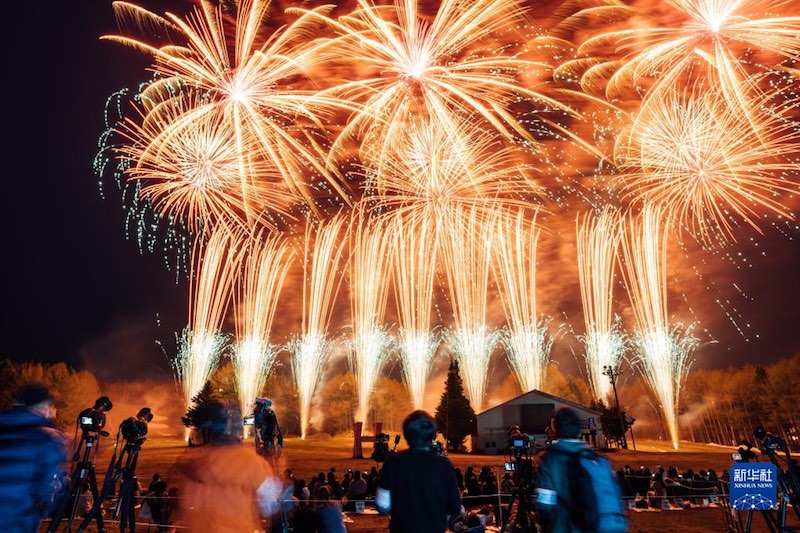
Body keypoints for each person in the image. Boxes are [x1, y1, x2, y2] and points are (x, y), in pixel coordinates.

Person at [175, 399, 290, 532]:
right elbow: (270, 503)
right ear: (226, 423)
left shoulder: (190, 463)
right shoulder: (248, 460)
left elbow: (187, 508)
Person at [535, 406, 627, 533]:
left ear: (555, 428)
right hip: (603, 526)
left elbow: (545, 505)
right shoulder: (599, 459)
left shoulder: (551, 460)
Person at [376, 410, 462, 533]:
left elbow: (382, 506)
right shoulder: (444, 465)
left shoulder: (393, 462)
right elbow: (454, 508)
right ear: (432, 436)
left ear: (406, 435)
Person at [0, 381, 68, 533]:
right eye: (52, 406)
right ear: (44, 405)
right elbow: (50, 487)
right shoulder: (47, 438)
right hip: (16, 521)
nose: (54, 411)